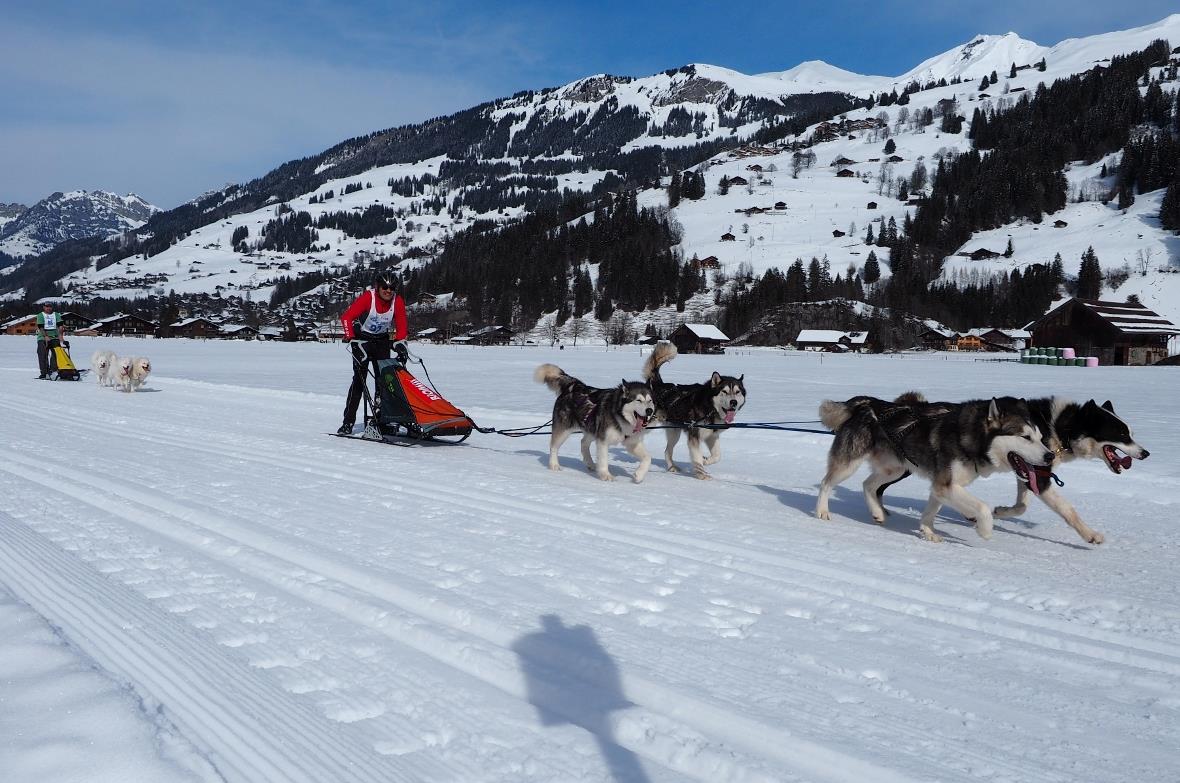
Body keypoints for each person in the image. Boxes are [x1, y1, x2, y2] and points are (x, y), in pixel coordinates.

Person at [337, 272, 408, 435]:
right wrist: (351, 338)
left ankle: (380, 420)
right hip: (362, 340)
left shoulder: (397, 301)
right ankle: (347, 422)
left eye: (392, 288)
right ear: (378, 287)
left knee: (384, 382)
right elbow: (347, 318)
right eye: (385, 287)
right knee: (359, 382)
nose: (388, 291)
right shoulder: (369, 298)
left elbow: (402, 323)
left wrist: (400, 343)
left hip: (382, 341)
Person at [35, 302, 66, 379]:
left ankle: (54, 370)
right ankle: (44, 372)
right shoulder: (40, 315)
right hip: (42, 337)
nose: (48, 308)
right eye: (46, 307)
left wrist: (61, 336)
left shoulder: (56, 315)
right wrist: (45, 336)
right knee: (42, 354)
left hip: (54, 336)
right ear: (44, 307)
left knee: (57, 353)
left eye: (50, 307)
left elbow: (60, 326)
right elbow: (41, 327)